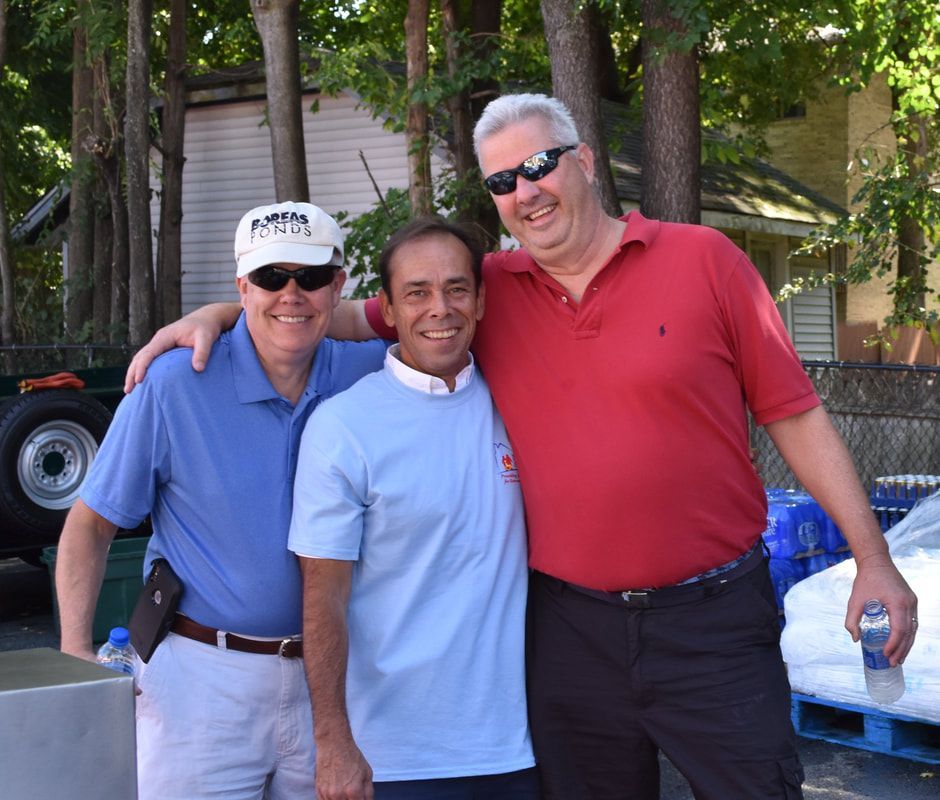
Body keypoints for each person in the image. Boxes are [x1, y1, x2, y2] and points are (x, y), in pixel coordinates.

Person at [126, 94, 918, 800]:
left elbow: (796, 416)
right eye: (502, 181)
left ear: (584, 161)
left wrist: (873, 560)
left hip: (711, 621)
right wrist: (219, 315)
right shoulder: (485, 290)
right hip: (570, 632)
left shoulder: (705, 261)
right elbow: (329, 312)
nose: (524, 191)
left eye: (538, 165)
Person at [56, 201, 387, 800]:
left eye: (310, 277)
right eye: (270, 278)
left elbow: (444, 311)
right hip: (200, 677)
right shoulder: (176, 382)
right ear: (243, 285)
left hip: (335, 683)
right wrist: (75, 650)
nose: (292, 294)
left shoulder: (370, 374)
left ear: (338, 285)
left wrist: (223, 313)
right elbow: (91, 524)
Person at [288, 217, 538, 800]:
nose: (439, 308)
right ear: (389, 309)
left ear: (479, 300)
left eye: (456, 289)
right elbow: (323, 595)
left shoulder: (517, 403)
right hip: (392, 759)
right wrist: (334, 743)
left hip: (516, 746)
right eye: (417, 292)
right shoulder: (343, 426)